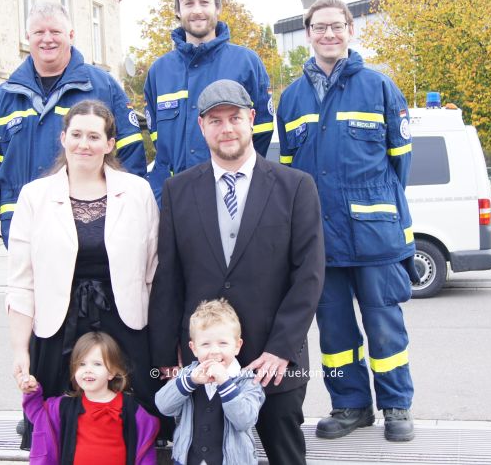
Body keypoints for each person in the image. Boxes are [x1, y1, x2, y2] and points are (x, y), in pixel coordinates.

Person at [149, 79, 325, 464]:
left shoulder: (295, 187)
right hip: (205, 362)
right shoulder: (178, 191)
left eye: (234, 118)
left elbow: (309, 274)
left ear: (252, 119)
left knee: (284, 454)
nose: (225, 128)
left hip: (273, 361)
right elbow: (169, 278)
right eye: (215, 120)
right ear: (201, 127)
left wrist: (282, 349)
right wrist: (166, 354)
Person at [276, 0, 419, 442]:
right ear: (308, 34)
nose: (328, 35)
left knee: (384, 325)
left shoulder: (379, 87)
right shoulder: (292, 98)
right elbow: (288, 174)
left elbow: (401, 166)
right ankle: (350, 405)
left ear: (351, 30)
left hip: (375, 236)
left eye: (336, 26)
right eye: (319, 28)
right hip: (321, 241)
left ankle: (396, 406)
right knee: (334, 332)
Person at [6, 100, 160, 449]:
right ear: (63, 138)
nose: (84, 143)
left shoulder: (137, 191)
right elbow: (21, 281)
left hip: (125, 321)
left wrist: (165, 343)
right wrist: (20, 350)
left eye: (94, 136)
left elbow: (153, 270)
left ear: (109, 144)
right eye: (76, 134)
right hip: (58, 326)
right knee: (60, 430)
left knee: (132, 427)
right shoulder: (35, 197)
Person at [0, 2, 146, 256]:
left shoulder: (103, 87)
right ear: (28, 37)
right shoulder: (3, 97)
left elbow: (130, 155)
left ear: (71, 36)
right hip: (24, 227)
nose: (47, 39)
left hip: (91, 226)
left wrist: (128, 212)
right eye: (39, 33)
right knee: (28, 294)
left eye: (56, 32)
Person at [143, 0, 274, 202]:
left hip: (232, 197)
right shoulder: (159, 72)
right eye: (189, 3)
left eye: (205, 2)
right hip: (175, 199)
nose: (197, 11)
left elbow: (261, 132)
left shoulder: (247, 63)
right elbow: (159, 144)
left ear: (218, 8)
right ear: (177, 10)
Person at [20, 331, 159, 465]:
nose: (88, 369)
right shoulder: (64, 407)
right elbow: (38, 414)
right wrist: (32, 391)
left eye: (97, 364)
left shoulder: (130, 409)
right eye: (82, 364)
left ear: (112, 372)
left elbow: (145, 447)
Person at [155, 299, 264, 465]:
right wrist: (189, 381)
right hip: (188, 460)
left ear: (237, 346)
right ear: (193, 348)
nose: (214, 351)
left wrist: (225, 382)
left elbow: (244, 420)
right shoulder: (188, 375)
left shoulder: (248, 381)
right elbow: (163, 405)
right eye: (205, 344)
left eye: (223, 343)